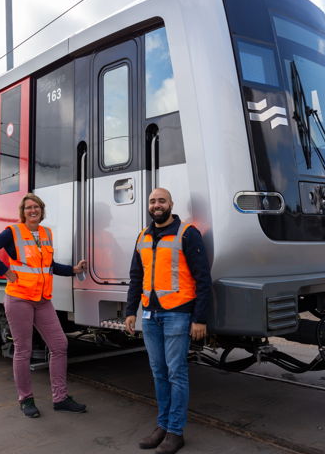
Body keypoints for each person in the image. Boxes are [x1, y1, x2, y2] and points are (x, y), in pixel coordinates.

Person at [0, 193, 88, 418]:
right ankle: (26, 399)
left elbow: (49, 266)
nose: (33, 210)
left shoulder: (46, 233)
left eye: (36, 207)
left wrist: (73, 270)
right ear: (23, 212)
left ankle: (60, 398)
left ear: (41, 210)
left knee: (59, 345)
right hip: (19, 298)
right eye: (28, 207)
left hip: (42, 300)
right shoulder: (13, 232)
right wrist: (5, 272)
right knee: (23, 350)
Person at [124, 188, 211, 454]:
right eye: (152, 201)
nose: (156, 205)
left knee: (176, 373)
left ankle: (175, 432)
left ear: (171, 204)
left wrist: (200, 318)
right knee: (159, 373)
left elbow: (203, 278)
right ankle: (162, 426)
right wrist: (130, 311)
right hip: (150, 315)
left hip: (178, 314)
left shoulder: (187, 233)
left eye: (161, 200)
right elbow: (136, 276)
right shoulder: (143, 236)